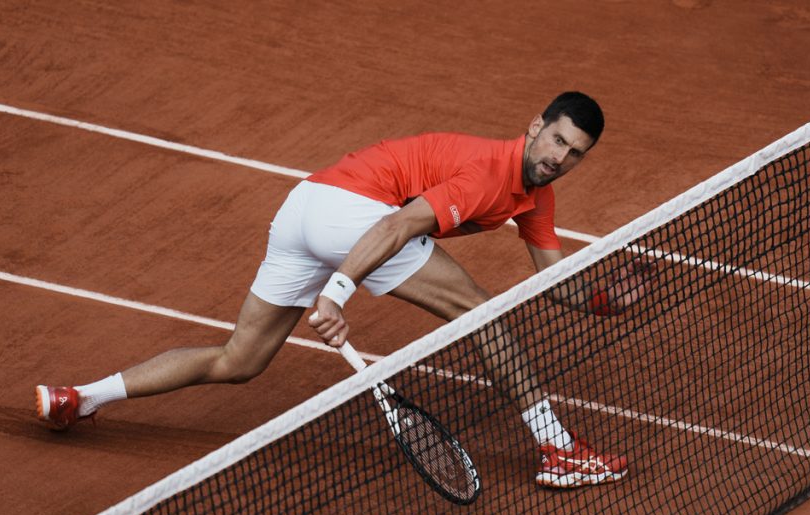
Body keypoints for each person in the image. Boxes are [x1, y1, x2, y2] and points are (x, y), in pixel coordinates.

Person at [35, 91, 654, 488]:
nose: (560, 158)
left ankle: (80, 397)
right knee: (480, 314)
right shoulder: (488, 173)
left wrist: (602, 299)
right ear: (535, 127)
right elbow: (397, 224)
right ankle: (556, 448)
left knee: (238, 361)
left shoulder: (536, 195)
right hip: (351, 213)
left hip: (305, 205)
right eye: (557, 142)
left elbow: (551, 282)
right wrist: (334, 295)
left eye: (575, 154)